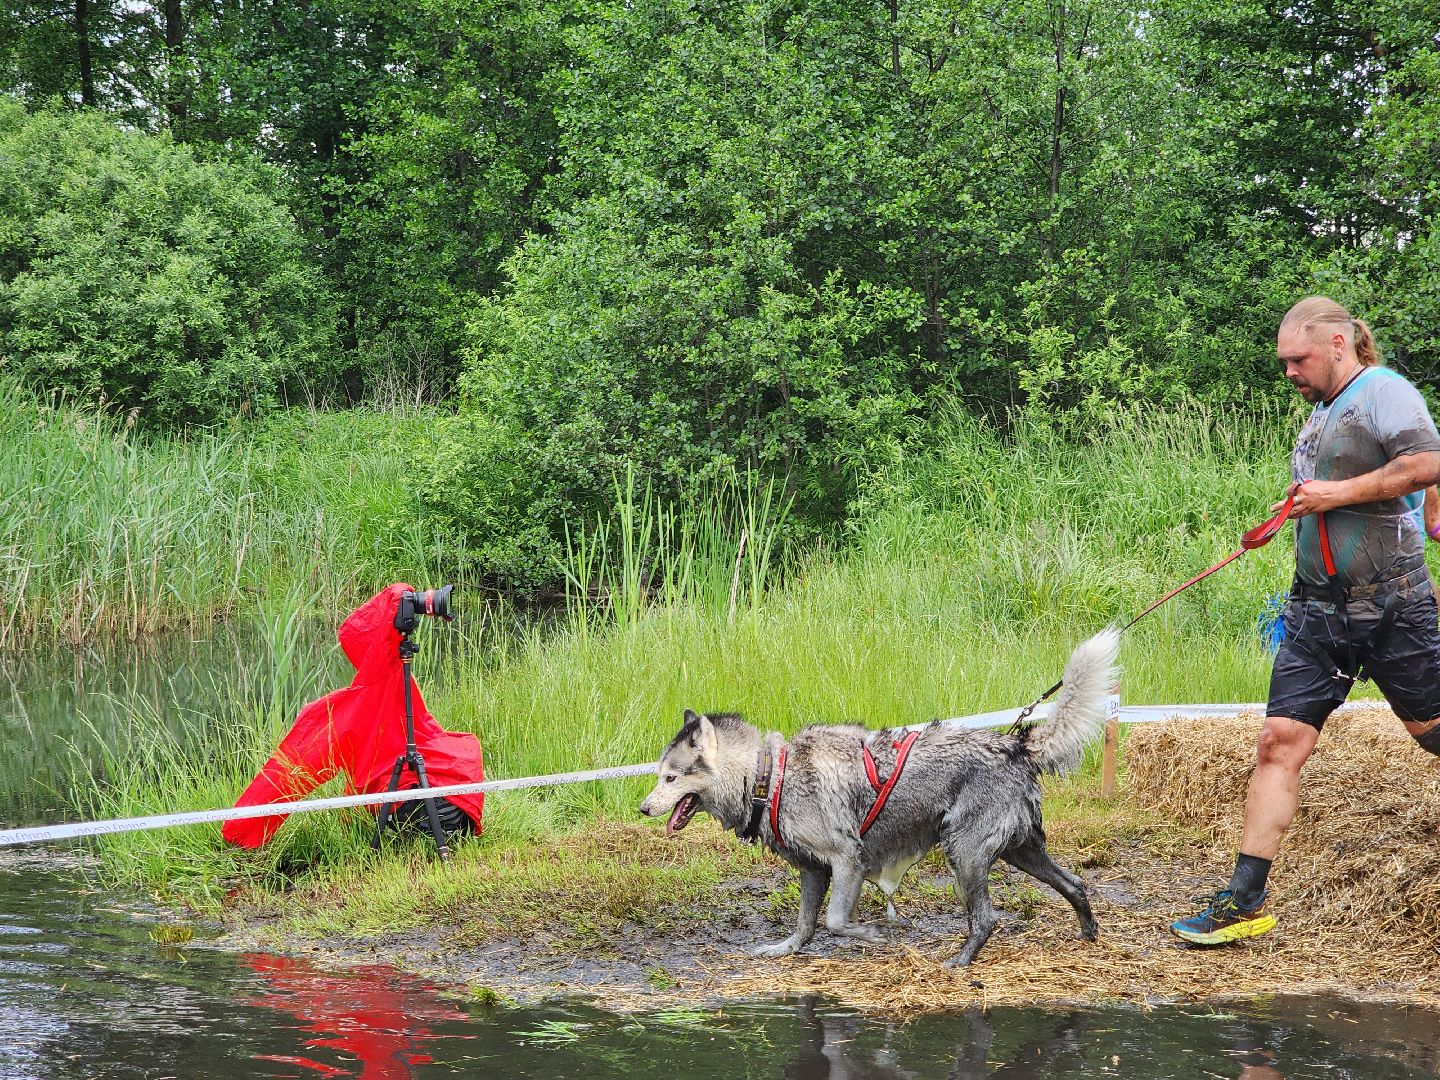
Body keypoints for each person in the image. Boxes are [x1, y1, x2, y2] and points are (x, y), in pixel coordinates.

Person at [1170, 296, 1440, 946]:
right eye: (1284, 361)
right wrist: (1300, 505)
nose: (1289, 370)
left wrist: (1337, 494)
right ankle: (1244, 900)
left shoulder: (1384, 391)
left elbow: (1430, 462)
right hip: (1317, 612)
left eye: (1299, 358)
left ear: (1339, 344)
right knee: (1277, 745)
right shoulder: (1323, 412)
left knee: (1434, 736)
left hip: (1392, 606)